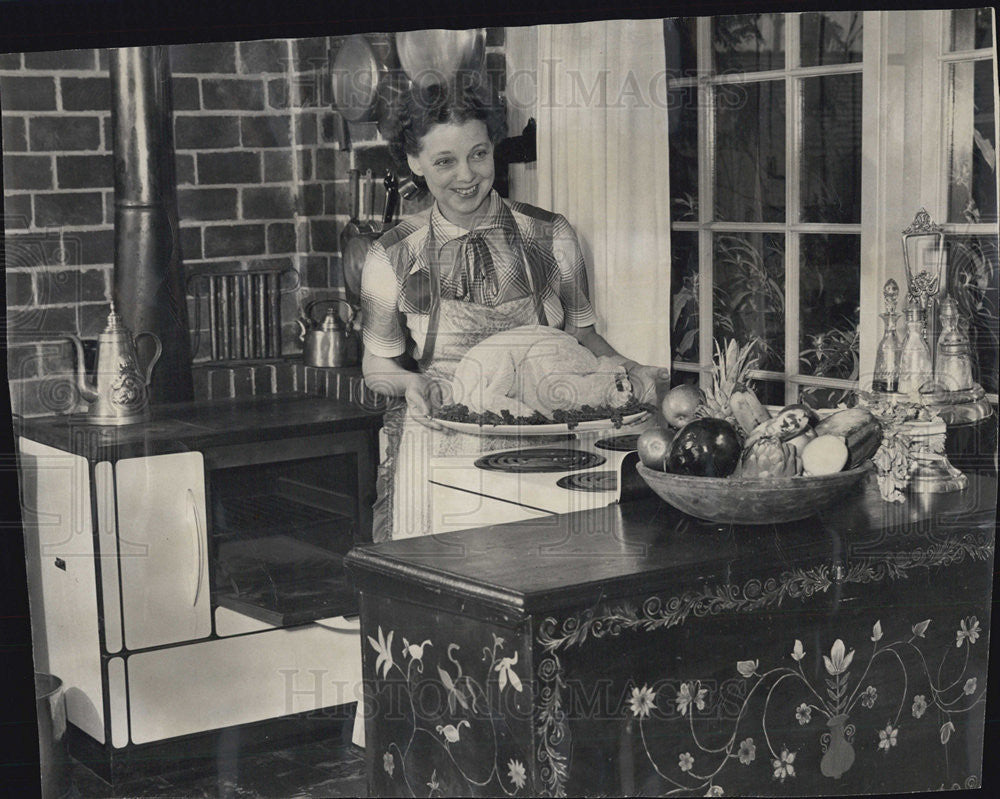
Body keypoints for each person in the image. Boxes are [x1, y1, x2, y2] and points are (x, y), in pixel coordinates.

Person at [361, 73, 667, 541]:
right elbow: (377, 366)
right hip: (443, 452)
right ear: (414, 163)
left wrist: (633, 371)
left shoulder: (551, 236)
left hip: (550, 453)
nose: (466, 176)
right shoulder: (394, 254)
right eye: (445, 161)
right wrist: (411, 382)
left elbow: (582, 338)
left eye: (479, 154)